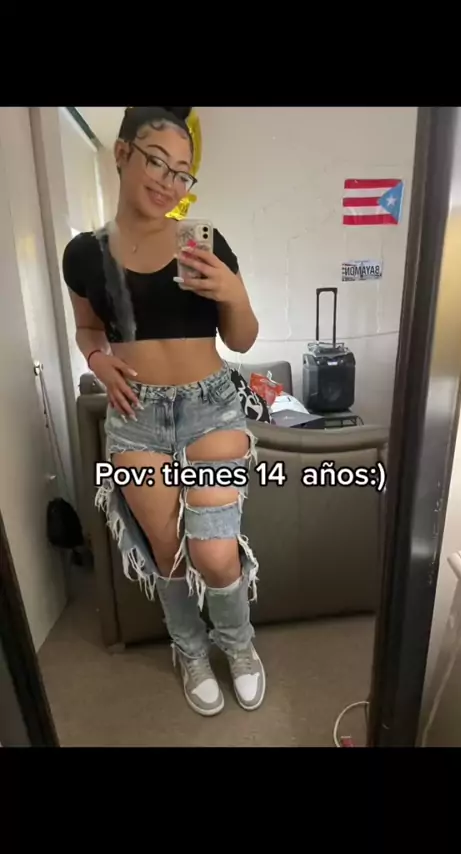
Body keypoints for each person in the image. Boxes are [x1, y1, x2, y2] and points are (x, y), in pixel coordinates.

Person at [62, 106, 265, 717]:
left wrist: (234, 293)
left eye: (182, 172)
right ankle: (191, 650)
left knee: (214, 553)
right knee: (168, 550)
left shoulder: (204, 243)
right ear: (122, 154)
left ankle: (239, 645)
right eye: (157, 162)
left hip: (211, 407)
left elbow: (243, 339)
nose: (169, 181)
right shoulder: (83, 255)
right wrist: (97, 360)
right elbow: (87, 328)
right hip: (136, 416)